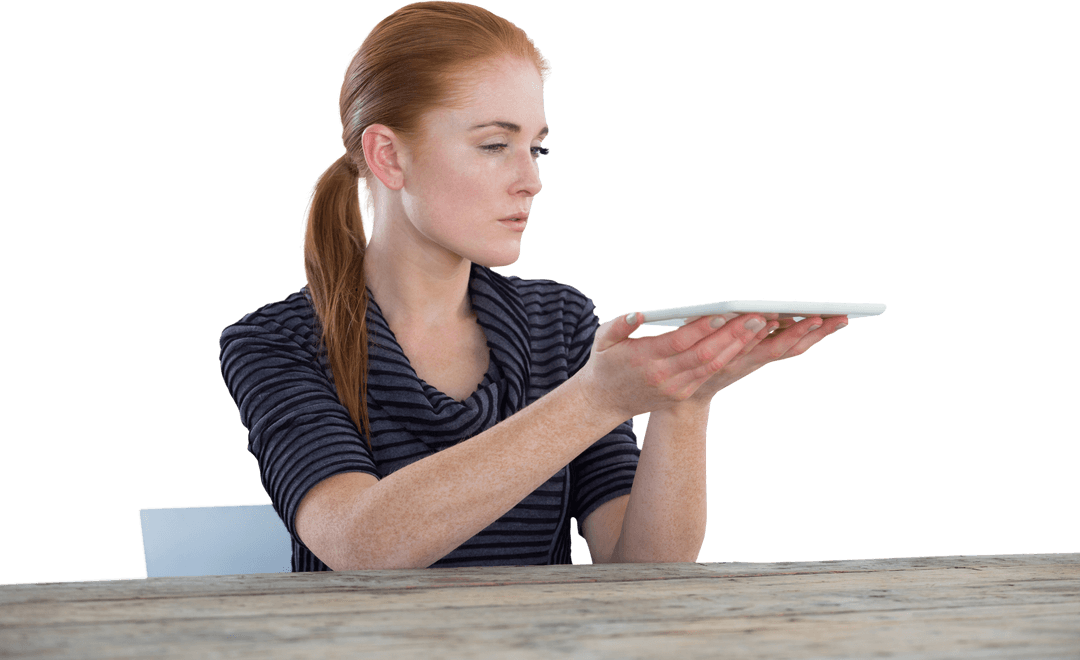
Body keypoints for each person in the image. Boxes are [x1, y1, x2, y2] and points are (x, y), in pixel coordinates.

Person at [218, 0, 848, 573]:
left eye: (538, 150)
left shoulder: (560, 321)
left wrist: (683, 397)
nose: (531, 182)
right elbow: (363, 546)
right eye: (495, 145)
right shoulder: (276, 343)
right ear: (388, 156)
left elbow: (642, 567)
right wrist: (596, 399)